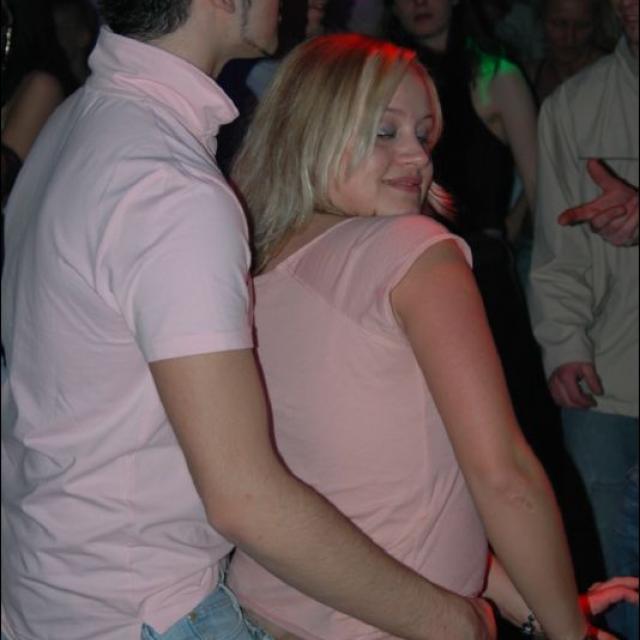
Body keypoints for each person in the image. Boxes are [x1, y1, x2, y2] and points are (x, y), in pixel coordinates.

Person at [0, 0, 514, 638]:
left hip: (48, 585)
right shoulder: (166, 184)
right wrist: (454, 622)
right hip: (141, 608)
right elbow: (244, 497)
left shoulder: (77, 123)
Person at [227, 33, 637, 640]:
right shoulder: (413, 251)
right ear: (313, 129)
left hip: (260, 613)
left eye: (424, 135)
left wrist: (548, 610)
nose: (417, 156)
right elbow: (505, 478)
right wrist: (568, 633)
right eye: (385, 131)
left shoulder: (251, 271)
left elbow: (392, 504)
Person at [381, 0, 563, 478]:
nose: (419, 3)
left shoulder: (496, 76)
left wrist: (508, 229)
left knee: (507, 430)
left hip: (480, 276)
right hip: (400, 270)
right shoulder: (376, 78)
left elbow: (542, 189)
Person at [529, 0, 638, 595]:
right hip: (607, 387)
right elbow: (557, 252)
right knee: (609, 584)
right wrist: (564, 344)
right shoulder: (573, 107)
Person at [525, 0, 615, 104]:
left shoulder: (613, 75)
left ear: (596, 24)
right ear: (542, 20)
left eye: (581, 26)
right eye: (559, 24)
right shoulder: (527, 77)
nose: (570, 38)